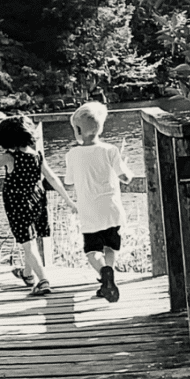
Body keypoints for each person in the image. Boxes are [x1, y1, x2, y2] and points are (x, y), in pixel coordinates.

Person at [0, 113, 74, 296]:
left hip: (18, 204)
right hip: (37, 200)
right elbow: (52, 178)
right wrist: (67, 200)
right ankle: (28, 275)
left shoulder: (10, 157)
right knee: (31, 240)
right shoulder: (37, 155)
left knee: (27, 244)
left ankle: (43, 281)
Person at [63, 101, 133, 302]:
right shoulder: (110, 150)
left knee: (93, 251)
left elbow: (68, 181)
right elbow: (125, 177)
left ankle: (104, 274)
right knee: (111, 248)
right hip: (111, 209)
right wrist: (127, 170)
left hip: (89, 212)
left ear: (77, 131)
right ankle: (108, 275)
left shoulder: (72, 154)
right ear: (101, 128)